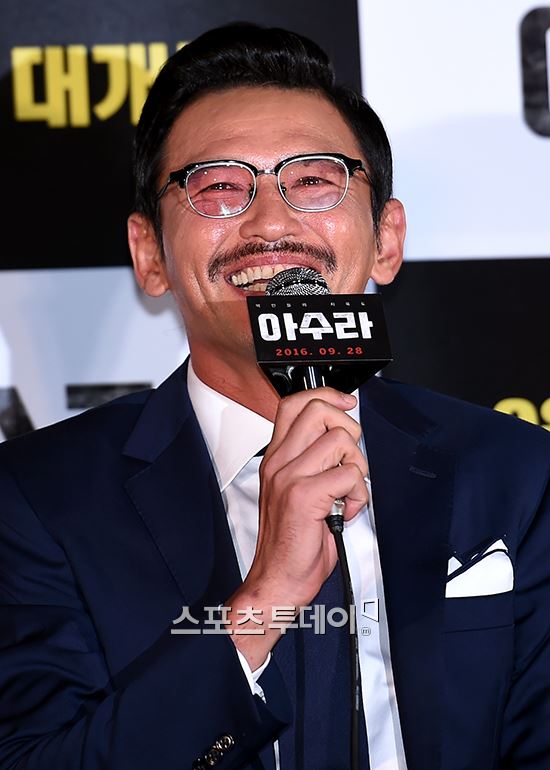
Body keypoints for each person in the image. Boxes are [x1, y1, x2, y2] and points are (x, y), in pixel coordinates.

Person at [0, 22, 549, 770]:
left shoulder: (516, 472)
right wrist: (264, 601)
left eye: (314, 180)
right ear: (150, 254)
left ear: (386, 240)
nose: (270, 223)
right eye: (219, 187)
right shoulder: (35, 499)